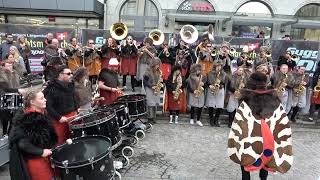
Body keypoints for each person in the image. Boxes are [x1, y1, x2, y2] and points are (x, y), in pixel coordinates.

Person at [228, 72, 293, 180]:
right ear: (265, 83)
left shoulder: (246, 100)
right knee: (266, 160)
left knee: (246, 159)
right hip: (268, 137)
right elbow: (281, 122)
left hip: (250, 137)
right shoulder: (274, 100)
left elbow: (240, 124)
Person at [9, 90, 57, 180]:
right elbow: (22, 144)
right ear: (32, 102)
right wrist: (41, 152)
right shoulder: (26, 120)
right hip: (36, 162)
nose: (45, 100)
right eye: (41, 98)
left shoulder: (42, 114)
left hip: (46, 159)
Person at [43, 65, 79, 145]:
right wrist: (59, 117)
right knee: (61, 141)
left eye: (71, 73)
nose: (71, 75)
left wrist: (76, 109)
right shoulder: (51, 88)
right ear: (60, 75)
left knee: (74, 138)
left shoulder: (70, 84)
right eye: (68, 74)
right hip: (59, 119)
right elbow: (48, 106)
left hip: (72, 115)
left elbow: (73, 98)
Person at [0, 59, 26, 136]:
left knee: (15, 116)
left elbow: (24, 72)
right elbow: (5, 88)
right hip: (5, 96)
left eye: (11, 65)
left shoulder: (15, 73)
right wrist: (18, 90)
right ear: (3, 66)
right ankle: (4, 132)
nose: (10, 67)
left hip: (16, 96)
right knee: (5, 116)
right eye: (8, 65)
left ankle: (10, 132)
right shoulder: (1, 75)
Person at [205, 60, 227, 127]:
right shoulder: (209, 73)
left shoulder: (224, 74)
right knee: (211, 105)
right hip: (211, 90)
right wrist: (209, 86)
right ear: (214, 66)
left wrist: (220, 85)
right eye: (217, 66)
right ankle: (211, 119)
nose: (218, 67)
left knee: (219, 105)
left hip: (219, 90)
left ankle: (216, 119)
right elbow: (207, 82)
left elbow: (224, 82)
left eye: (220, 66)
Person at [143, 57, 162, 124]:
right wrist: (151, 86)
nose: (158, 66)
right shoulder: (147, 71)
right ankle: (150, 118)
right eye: (157, 64)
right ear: (153, 64)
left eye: (159, 65)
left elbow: (159, 80)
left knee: (155, 104)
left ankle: (154, 117)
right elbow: (145, 82)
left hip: (156, 89)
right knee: (150, 104)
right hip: (149, 89)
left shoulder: (158, 72)